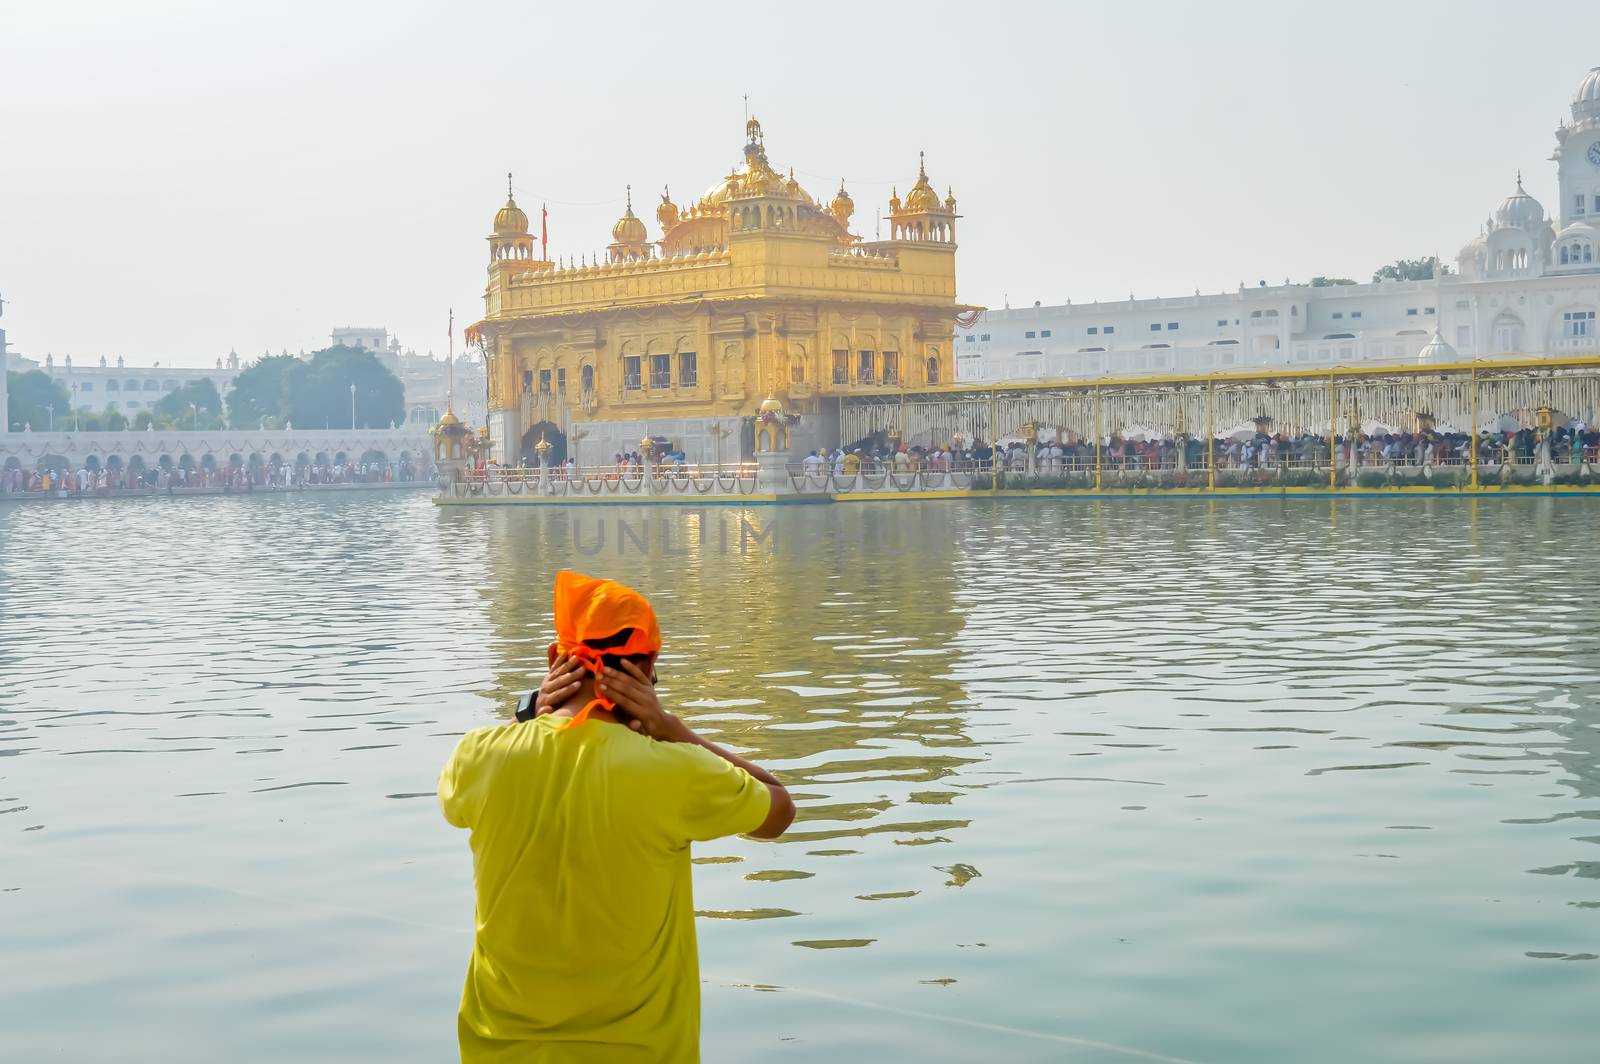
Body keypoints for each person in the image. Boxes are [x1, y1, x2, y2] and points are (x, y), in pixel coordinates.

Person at [438, 570, 794, 1063]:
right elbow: (778, 809)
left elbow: (462, 792)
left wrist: (528, 713)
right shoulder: (676, 771)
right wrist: (672, 728)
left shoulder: (479, 757)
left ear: (554, 660)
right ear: (649, 670)